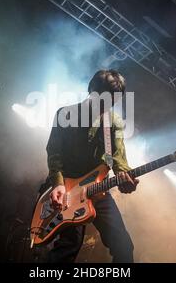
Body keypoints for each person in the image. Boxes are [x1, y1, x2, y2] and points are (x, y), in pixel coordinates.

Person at [45, 69, 138, 263]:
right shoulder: (65, 113)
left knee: (124, 247)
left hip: (98, 189)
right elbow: (54, 151)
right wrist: (58, 183)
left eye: (112, 102)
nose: (105, 106)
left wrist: (124, 176)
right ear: (91, 91)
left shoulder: (114, 122)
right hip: (68, 190)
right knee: (69, 246)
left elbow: (118, 157)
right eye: (102, 100)